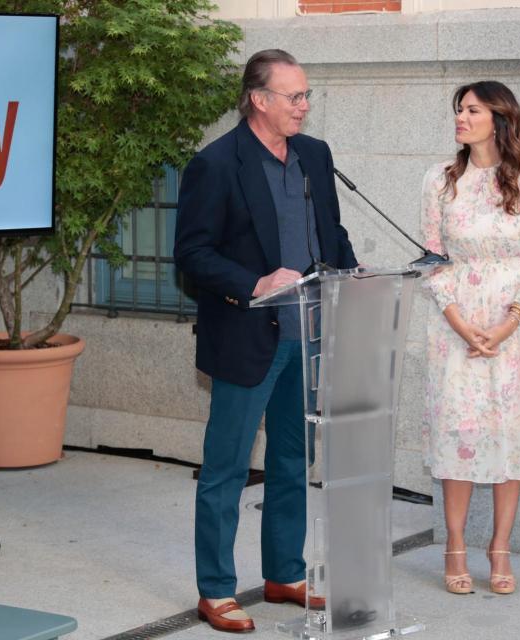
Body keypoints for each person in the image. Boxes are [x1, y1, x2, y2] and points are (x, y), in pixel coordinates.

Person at [174, 49, 357, 632]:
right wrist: (253, 281)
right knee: (225, 469)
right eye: (294, 96)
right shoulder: (216, 164)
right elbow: (193, 256)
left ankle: (285, 573)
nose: (304, 106)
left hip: (307, 332)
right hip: (246, 336)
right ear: (259, 99)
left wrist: (352, 275)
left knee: (290, 461)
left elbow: (331, 230)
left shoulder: (314, 155)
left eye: (306, 96)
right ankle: (217, 590)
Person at [419, 81, 520, 596]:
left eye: (471, 110)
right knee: (459, 432)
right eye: (458, 110)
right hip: (456, 326)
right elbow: (431, 260)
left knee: (511, 432)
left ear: (499, 118)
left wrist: (508, 323)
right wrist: (461, 322)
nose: (460, 118)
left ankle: (501, 547)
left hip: (518, 324)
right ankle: (455, 545)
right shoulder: (440, 181)